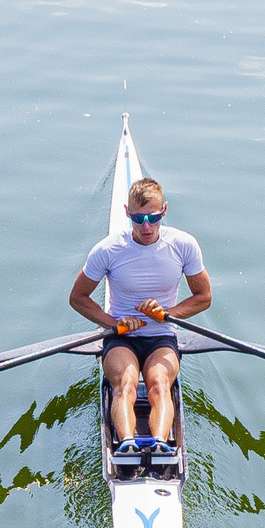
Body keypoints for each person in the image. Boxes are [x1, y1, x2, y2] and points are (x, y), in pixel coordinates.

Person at [68, 175, 213, 472]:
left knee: (159, 383)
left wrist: (168, 314)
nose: (146, 226)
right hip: (121, 338)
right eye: (138, 218)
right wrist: (114, 323)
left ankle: (161, 446)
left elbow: (204, 296)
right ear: (127, 212)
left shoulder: (184, 245)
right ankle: (127, 445)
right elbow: (78, 297)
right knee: (127, 382)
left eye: (153, 217)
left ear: (164, 211)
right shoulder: (108, 250)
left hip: (162, 335)